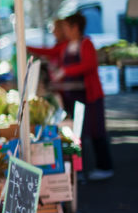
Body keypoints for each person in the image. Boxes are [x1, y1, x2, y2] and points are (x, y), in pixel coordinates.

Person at [30, 13, 113, 181]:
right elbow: (50, 52)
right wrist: (27, 47)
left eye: (67, 28)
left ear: (75, 27)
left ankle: (105, 167)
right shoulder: (67, 45)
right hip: (72, 96)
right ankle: (78, 171)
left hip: (89, 96)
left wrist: (66, 71)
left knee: (96, 132)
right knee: (76, 136)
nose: (64, 31)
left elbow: (89, 65)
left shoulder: (86, 44)